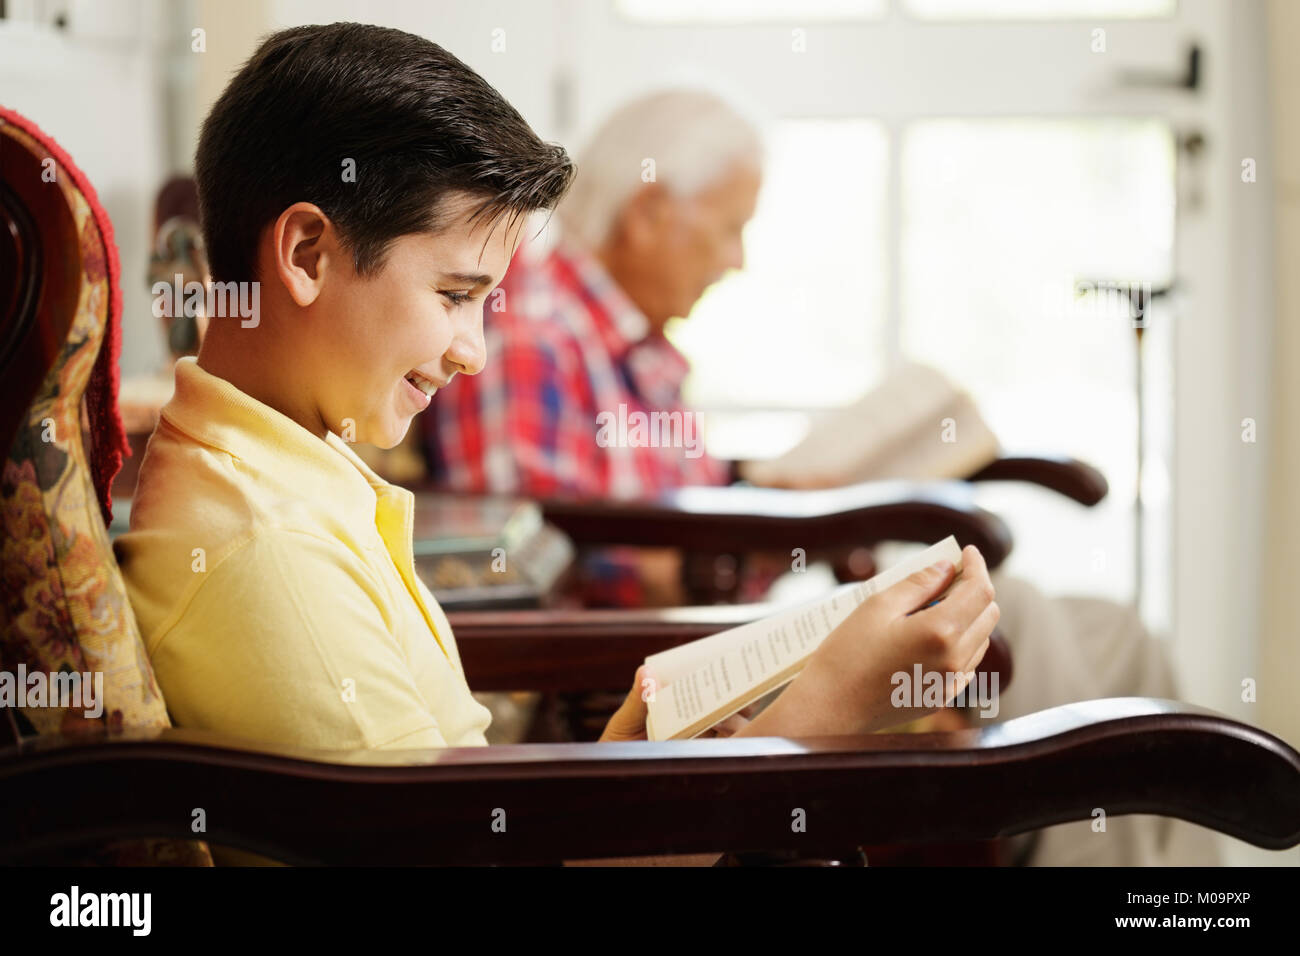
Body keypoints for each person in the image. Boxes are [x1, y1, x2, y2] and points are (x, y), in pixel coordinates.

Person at [112, 24, 1001, 866]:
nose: (474, 352)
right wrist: (828, 709)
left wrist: (645, 745)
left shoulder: (293, 471)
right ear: (307, 254)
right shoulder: (269, 556)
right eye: (456, 295)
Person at [425, 89, 1223, 866]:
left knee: (1115, 633)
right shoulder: (532, 329)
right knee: (1023, 613)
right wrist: (768, 530)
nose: (737, 261)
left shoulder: (622, 338)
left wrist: (771, 507)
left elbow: (657, 507)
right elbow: (531, 551)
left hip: (729, 611)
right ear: (650, 210)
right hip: (667, 658)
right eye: (730, 229)